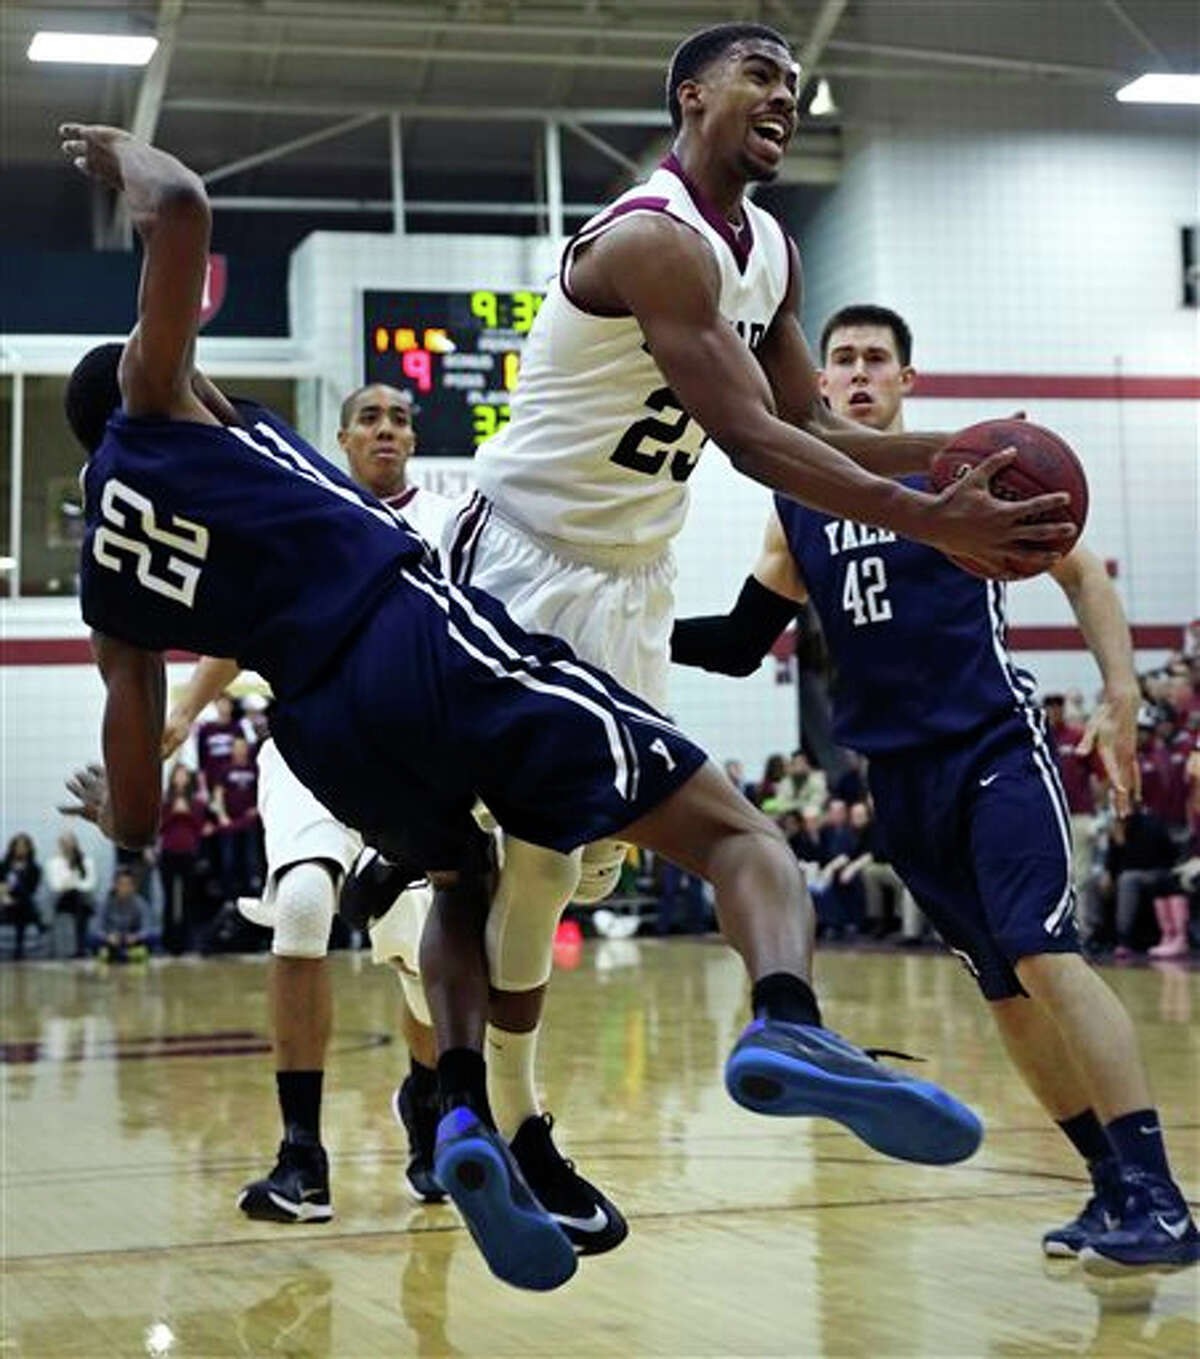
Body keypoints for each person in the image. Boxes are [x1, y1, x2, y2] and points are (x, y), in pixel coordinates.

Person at [57, 121, 984, 1293]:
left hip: (324, 728)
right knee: (732, 829)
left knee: (466, 879)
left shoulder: (107, 586)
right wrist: (123, 162)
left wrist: (112, 806)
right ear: (154, 377)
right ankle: (786, 1015)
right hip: (415, 634)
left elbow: (137, 811)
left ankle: (459, 1118)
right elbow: (184, 198)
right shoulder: (166, 405)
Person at [427, 21, 1076, 1180]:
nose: (787, 95)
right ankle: (490, 1116)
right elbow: (754, 440)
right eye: (760, 75)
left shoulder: (769, 247)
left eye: (796, 82)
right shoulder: (652, 240)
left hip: (630, 582)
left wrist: (981, 448)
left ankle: (779, 1023)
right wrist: (930, 514)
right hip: (522, 561)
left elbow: (820, 422)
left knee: (575, 866)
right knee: (510, 863)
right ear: (690, 96)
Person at [671, 301, 1198, 1273]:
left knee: (1043, 956)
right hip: (897, 780)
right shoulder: (799, 500)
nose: (860, 374)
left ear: (908, 382)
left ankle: (1161, 1198)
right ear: (818, 384)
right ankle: (1110, 1187)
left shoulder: (962, 469)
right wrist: (623, 633)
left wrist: (1122, 695)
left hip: (992, 746)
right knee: (1002, 992)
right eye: (843, 361)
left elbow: (1082, 572)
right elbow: (744, 642)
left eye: (878, 360)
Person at [46, 830, 97, 958]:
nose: (68, 846)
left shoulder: (86, 861)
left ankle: (80, 948)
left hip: (81, 898)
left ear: (76, 844)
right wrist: (73, 881)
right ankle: (77, 949)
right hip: (62, 900)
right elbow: (55, 886)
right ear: (60, 845)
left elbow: (90, 883)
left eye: (71, 843)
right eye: (65, 843)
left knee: (79, 898)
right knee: (76, 898)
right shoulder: (54, 863)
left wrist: (71, 883)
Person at [94, 866, 152, 962]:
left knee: (152, 939)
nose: (124, 888)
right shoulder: (105, 903)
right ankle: (123, 955)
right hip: (111, 941)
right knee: (93, 940)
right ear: (115, 885)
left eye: (128, 885)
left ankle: (125, 955)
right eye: (121, 884)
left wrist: (136, 936)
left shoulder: (140, 903)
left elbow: (148, 928)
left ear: (134, 887)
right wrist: (107, 937)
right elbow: (96, 928)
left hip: (132, 941)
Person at [1, 834, 43, 960]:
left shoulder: (35, 868)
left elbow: (31, 889)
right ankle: (38, 921)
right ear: (13, 848)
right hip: (5, 901)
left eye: (24, 846)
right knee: (24, 906)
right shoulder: (3, 866)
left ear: (29, 849)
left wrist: (19, 874)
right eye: (18, 846)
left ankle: (18, 950)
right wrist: (4, 897)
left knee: (23, 905)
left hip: (22, 902)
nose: (21, 849)